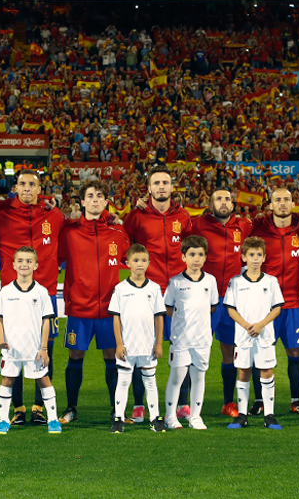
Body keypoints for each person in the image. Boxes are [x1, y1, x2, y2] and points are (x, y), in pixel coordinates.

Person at [0, 169, 66, 427]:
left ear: (39, 189)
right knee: (11, 349)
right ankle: (17, 408)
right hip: (13, 295)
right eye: (22, 184)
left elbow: (72, 231)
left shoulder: (54, 216)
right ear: (15, 187)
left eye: (32, 184)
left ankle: (39, 407)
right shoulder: (1, 216)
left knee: (45, 350)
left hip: (45, 293)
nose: (27, 188)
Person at [57, 179, 130, 423]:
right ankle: (71, 408)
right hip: (79, 309)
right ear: (82, 201)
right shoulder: (69, 232)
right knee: (75, 357)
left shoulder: (118, 233)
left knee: (112, 357)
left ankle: (116, 409)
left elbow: (132, 259)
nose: (95, 199)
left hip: (110, 311)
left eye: (100, 195)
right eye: (90, 195)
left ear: (107, 201)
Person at [124, 165, 193, 422]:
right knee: (142, 349)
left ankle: (183, 404)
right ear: (149, 188)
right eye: (157, 183)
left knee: (181, 349)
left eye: (166, 182)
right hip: (146, 292)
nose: (161, 187)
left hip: (178, 292)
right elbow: (122, 244)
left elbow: (191, 250)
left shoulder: (184, 217)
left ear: (171, 187)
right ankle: (139, 404)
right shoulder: (136, 217)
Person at [189, 189, 252, 418]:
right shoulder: (198, 225)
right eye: (218, 199)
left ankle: (228, 402)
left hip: (233, 301)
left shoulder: (244, 226)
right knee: (196, 350)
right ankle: (186, 404)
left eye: (227, 199)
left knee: (230, 351)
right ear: (210, 203)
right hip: (205, 299)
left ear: (233, 203)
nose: (223, 203)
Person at [251, 187, 299, 417]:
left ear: (293, 203)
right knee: (261, 353)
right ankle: (259, 401)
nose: (283, 203)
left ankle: (296, 402)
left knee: (295, 353)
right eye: (278, 200)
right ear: (270, 204)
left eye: (287, 199)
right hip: (264, 305)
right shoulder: (258, 229)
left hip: (293, 304)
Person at [0, 247, 62, 435]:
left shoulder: (41, 292)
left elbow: (46, 321)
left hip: (34, 349)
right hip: (11, 349)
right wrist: (0, 340)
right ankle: (3, 420)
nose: (24, 264)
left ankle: (53, 420)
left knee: (43, 380)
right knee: (7, 380)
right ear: (13, 264)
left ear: (36, 265)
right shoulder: (6, 292)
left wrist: (44, 347)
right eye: (20, 261)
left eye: (29, 261)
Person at [224, 237, 283, 430]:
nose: (255, 259)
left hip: (264, 335)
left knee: (266, 371)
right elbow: (231, 309)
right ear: (243, 257)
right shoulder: (236, 282)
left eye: (259, 255)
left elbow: (276, 308)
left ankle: (269, 414)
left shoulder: (271, 281)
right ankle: (242, 415)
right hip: (243, 336)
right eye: (251, 255)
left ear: (264, 257)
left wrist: (260, 325)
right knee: (243, 371)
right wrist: (247, 325)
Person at [109, 243, 167, 433]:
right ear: (127, 263)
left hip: (148, 345)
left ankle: (155, 418)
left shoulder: (155, 288)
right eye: (135, 260)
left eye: (143, 260)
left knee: (150, 382)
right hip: (127, 345)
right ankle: (118, 418)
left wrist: (158, 343)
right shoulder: (120, 289)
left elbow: (159, 317)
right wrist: (119, 343)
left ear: (149, 263)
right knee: (123, 382)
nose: (140, 264)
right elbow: (116, 318)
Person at [163, 235, 218, 430]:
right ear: (183, 257)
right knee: (177, 377)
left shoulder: (210, 281)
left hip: (202, 339)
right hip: (181, 340)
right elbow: (168, 307)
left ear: (205, 257)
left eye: (200, 254)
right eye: (192, 254)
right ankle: (170, 417)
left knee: (199, 378)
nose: (196, 259)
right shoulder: (176, 282)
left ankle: (195, 416)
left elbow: (212, 307)